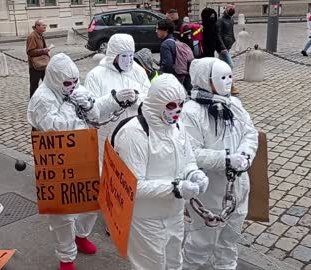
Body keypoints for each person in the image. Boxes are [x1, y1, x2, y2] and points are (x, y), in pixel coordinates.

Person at [112, 74, 209, 270]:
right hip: (146, 218)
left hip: (174, 213)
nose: (178, 110)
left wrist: (193, 174)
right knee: (150, 266)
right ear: (157, 103)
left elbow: (187, 159)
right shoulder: (134, 134)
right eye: (171, 105)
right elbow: (134, 185)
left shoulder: (177, 126)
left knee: (174, 263)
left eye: (181, 104)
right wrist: (176, 188)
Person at [181, 58, 258, 270]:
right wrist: (224, 160)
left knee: (230, 239)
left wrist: (245, 155)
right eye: (221, 78)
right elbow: (191, 152)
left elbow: (250, 133)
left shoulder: (234, 104)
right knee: (201, 241)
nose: (227, 82)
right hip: (210, 190)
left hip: (238, 186)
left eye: (229, 77)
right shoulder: (191, 112)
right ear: (207, 80)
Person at [27, 53, 98, 270]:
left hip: (82, 153)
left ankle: (81, 235)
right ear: (56, 79)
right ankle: (66, 256)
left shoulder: (75, 88)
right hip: (57, 161)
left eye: (75, 81)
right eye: (68, 83)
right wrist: (71, 109)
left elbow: (96, 115)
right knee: (63, 212)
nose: (73, 86)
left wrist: (88, 104)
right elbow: (54, 127)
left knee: (90, 200)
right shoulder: (41, 98)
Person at [82, 33, 150, 166]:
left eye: (131, 55)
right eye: (124, 56)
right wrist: (114, 100)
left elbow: (151, 100)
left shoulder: (139, 72)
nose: (129, 60)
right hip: (108, 134)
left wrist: (137, 98)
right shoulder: (95, 76)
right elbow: (90, 111)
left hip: (135, 133)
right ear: (114, 56)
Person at [157, 19, 193, 94]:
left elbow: (168, 64)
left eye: (158, 29)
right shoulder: (175, 40)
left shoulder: (165, 45)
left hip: (175, 75)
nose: (156, 31)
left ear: (165, 30)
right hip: (183, 73)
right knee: (188, 92)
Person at [26, 19, 50, 98]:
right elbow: (30, 52)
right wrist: (43, 50)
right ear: (37, 26)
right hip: (35, 66)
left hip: (43, 64)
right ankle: (32, 103)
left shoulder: (40, 35)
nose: (45, 26)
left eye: (45, 25)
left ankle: (47, 100)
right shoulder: (32, 36)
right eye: (43, 25)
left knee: (47, 84)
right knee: (34, 86)